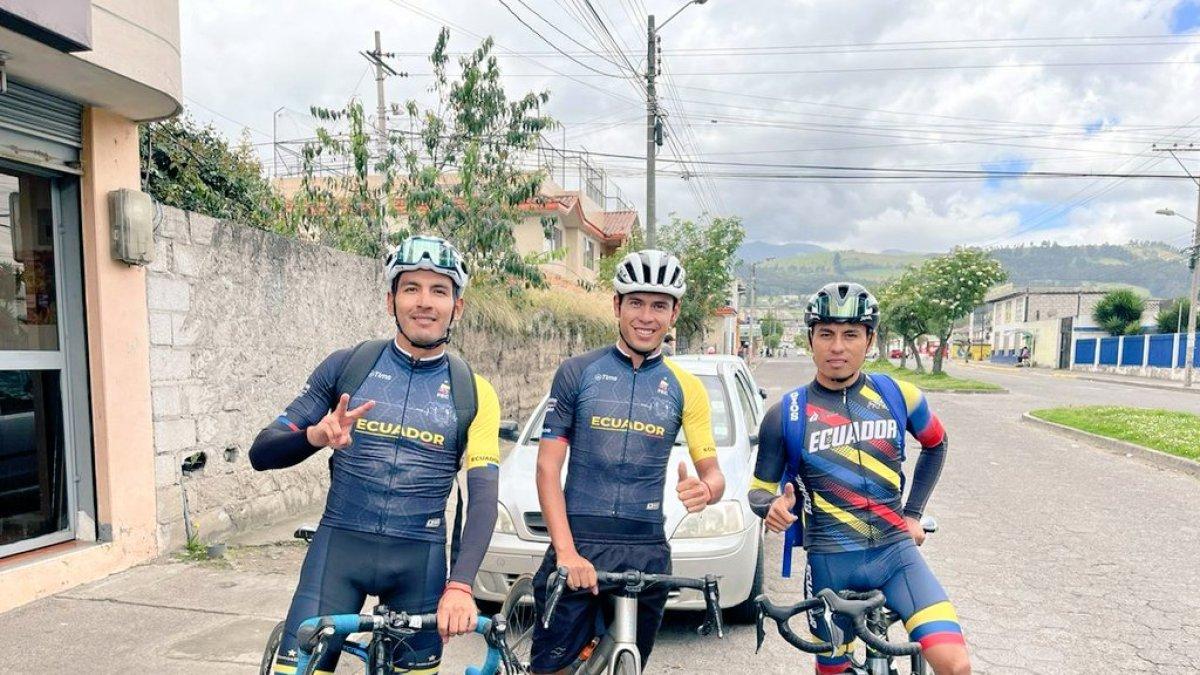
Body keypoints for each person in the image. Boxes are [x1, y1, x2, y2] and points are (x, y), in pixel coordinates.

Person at [250, 235, 502, 675]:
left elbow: (482, 499)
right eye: (411, 289)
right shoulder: (348, 367)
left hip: (418, 566)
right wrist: (314, 435)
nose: (424, 302)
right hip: (338, 553)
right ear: (391, 300)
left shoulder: (475, 392)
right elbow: (261, 452)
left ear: (456, 307)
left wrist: (460, 586)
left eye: (439, 290)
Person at [748, 282, 970, 675]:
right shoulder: (786, 414)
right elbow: (759, 492)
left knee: (955, 664)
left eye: (851, 334)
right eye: (826, 334)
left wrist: (914, 513)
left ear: (870, 339)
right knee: (834, 671)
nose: (837, 347)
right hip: (831, 564)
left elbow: (937, 443)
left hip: (896, 555)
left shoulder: (901, 396)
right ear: (811, 339)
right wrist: (773, 509)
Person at [531, 250, 725, 674]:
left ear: (674, 314)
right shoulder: (577, 372)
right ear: (617, 305)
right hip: (579, 542)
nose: (646, 316)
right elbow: (547, 469)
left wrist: (707, 489)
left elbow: (713, 473)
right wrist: (566, 552)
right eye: (636, 302)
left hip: (647, 550)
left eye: (659, 305)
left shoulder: (686, 388)